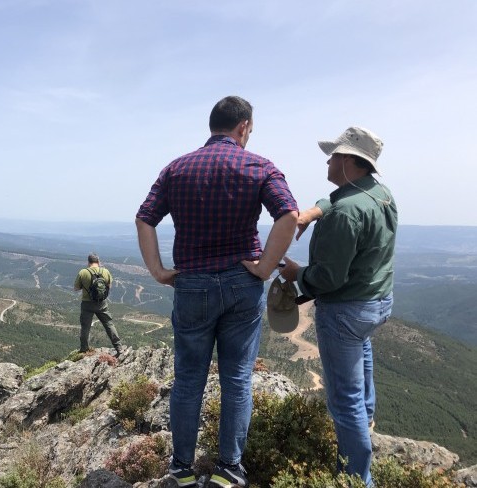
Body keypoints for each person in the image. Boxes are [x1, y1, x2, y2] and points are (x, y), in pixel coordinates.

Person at [136, 95, 298, 488]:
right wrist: (262, 267)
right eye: (251, 130)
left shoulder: (176, 169)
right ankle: (229, 470)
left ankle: (181, 469)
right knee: (237, 379)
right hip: (242, 284)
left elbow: (145, 217)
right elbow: (289, 214)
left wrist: (158, 271)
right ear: (243, 126)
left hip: (191, 283)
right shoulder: (258, 166)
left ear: (213, 125)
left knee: (189, 379)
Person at [278, 126, 397, 487]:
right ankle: (368, 419)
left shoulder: (345, 213)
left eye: (333, 156)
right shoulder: (381, 194)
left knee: (344, 402)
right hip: (377, 303)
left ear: (348, 161)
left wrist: (298, 274)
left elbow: (328, 279)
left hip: (345, 309)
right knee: (361, 352)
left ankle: (357, 478)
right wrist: (313, 211)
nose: (328, 161)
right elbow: (339, 198)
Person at [73, 253, 123, 355]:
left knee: (85, 327)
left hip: (87, 304)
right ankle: (119, 348)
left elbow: (76, 288)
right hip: (101, 304)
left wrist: (86, 286)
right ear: (98, 262)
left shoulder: (83, 272)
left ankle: (84, 350)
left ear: (88, 262)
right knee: (109, 324)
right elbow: (109, 286)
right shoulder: (105, 271)